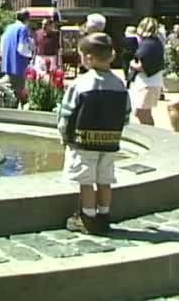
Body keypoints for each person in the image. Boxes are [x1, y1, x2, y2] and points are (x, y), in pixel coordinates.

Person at [57, 33, 131, 234]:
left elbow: (66, 112)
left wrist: (64, 135)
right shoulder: (119, 84)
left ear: (89, 58)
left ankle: (87, 218)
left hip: (83, 142)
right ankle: (104, 215)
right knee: (105, 179)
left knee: (86, 181)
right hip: (110, 142)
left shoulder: (81, 83)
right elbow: (126, 113)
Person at [129, 17, 165, 126]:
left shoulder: (148, 44)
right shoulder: (156, 42)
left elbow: (142, 66)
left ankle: (151, 134)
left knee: (142, 113)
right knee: (141, 112)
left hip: (148, 83)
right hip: (151, 82)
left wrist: (131, 64)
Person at [1, 9, 33, 100]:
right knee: (20, 92)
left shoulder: (8, 27)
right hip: (19, 65)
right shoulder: (23, 28)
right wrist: (30, 54)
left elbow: (2, 43)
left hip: (7, 63)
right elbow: (22, 48)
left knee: (10, 85)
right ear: (27, 19)